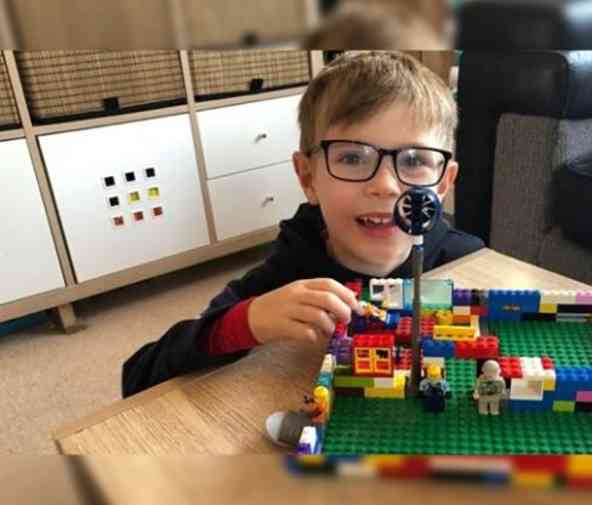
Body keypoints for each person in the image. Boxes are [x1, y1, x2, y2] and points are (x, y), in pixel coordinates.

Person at [122, 51, 484, 398]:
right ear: (308, 177)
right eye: (353, 157)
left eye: (415, 159)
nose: (386, 185)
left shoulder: (468, 262)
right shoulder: (289, 273)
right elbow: (138, 376)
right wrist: (248, 322)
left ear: (442, 182)